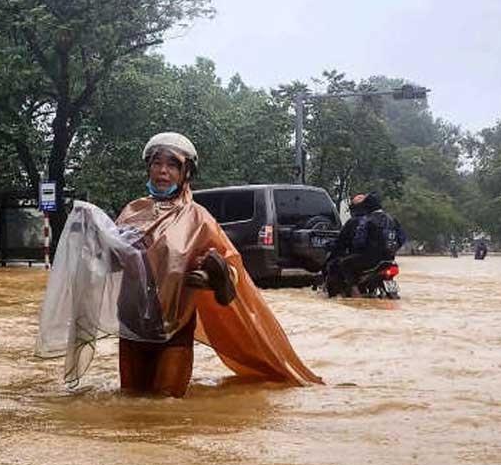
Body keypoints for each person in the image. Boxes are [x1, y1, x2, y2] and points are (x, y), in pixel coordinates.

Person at [35, 132, 321, 397]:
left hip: (174, 327)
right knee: (131, 404)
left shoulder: (199, 218)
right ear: (148, 168)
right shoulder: (132, 211)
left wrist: (214, 276)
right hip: (131, 324)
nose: (162, 171)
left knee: (165, 405)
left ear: (186, 173)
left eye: (172, 165)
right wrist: (92, 241)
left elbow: (233, 270)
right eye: (156, 163)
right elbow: (113, 264)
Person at [329, 192, 402, 296]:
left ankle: (355, 293)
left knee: (345, 264)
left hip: (369, 260)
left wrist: (359, 249)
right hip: (389, 259)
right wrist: (392, 249)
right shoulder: (393, 220)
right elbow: (402, 238)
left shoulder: (367, 220)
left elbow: (359, 241)